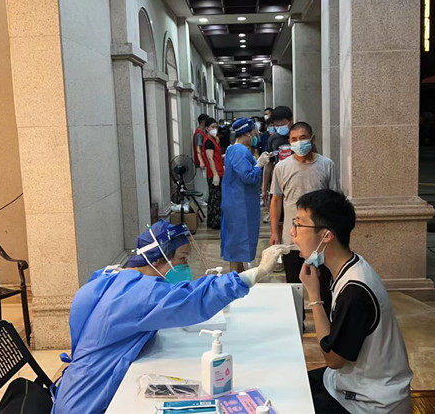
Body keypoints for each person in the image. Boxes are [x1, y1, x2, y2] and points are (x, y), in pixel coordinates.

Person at [51, 220, 292, 414]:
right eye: (181, 259)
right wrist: (258, 272)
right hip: (91, 403)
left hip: (73, 392)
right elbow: (195, 299)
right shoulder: (139, 295)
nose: (185, 265)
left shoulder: (111, 278)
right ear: (157, 260)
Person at [293, 190, 413, 414]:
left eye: (298, 225)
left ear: (326, 236)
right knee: (292, 385)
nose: (293, 233)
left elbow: (333, 359)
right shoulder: (344, 266)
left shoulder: (355, 290)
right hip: (347, 384)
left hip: (372, 403)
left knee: (291, 406)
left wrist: (314, 296)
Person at [269, 122, 338, 313]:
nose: (298, 143)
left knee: (324, 284)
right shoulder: (282, 167)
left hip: (321, 239)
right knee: (294, 284)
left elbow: (334, 200)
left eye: (303, 138)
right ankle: (297, 321)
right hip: (293, 238)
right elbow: (276, 200)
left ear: (312, 139)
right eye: (294, 139)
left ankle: (326, 320)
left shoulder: (327, 165)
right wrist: (274, 232)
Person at [221, 118, 270, 273]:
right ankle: (234, 278)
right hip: (240, 205)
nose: (255, 136)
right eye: (254, 133)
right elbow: (248, 177)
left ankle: (239, 275)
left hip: (236, 201)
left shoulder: (232, 149)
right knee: (238, 244)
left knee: (236, 243)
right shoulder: (240, 151)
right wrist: (259, 165)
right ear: (246, 133)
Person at [262, 106, 293, 224]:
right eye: (277, 125)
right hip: (279, 182)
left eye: (283, 124)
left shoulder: (299, 136)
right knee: (278, 218)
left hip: (296, 181)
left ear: (291, 120)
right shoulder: (273, 139)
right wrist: (264, 188)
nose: (280, 127)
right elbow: (268, 164)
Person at [202, 117, 224, 229]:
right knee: (216, 197)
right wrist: (215, 173)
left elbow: (215, 156)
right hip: (214, 173)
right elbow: (210, 158)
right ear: (207, 128)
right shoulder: (208, 142)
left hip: (218, 171)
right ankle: (215, 221)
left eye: (216, 127)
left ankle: (212, 220)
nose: (215, 129)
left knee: (214, 197)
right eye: (212, 127)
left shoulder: (214, 140)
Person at [193, 114, 210, 202]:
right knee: (201, 182)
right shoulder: (199, 134)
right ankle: (200, 200)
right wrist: (201, 161)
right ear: (203, 122)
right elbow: (198, 149)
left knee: (204, 183)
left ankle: (203, 199)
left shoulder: (202, 133)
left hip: (203, 162)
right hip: (200, 163)